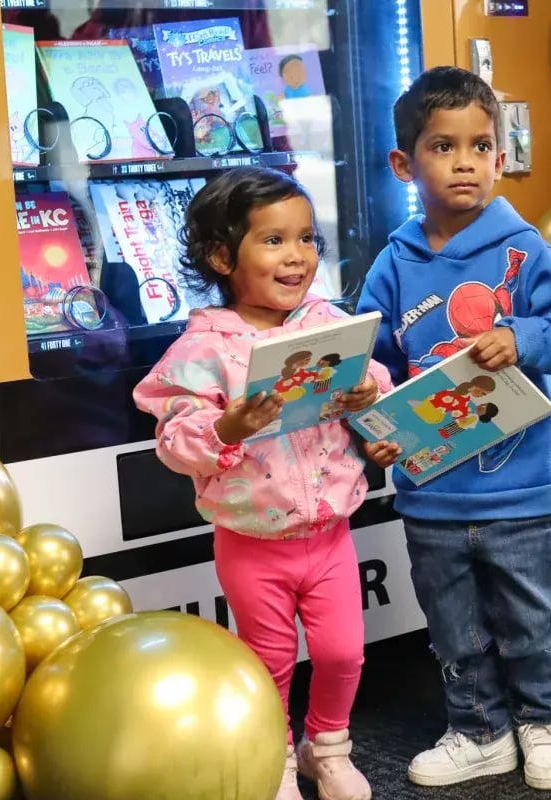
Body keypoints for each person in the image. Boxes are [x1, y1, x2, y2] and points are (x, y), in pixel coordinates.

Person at [357, 66, 551, 792]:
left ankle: (542, 724)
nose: (465, 162)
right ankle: (478, 730)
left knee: (530, 620)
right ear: (404, 163)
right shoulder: (394, 261)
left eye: (481, 146)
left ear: (500, 155)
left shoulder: (521, 246)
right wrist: (375, 425)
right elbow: (368, 363)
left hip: (520, 489)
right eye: (443, 146)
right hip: (430, 489)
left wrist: (520, 338)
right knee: (452, 628)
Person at [133, 166, 402, 800]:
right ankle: (273, 757)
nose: (297, 257)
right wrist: (227, 427)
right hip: (252, 542)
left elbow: (374, 390)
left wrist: (372, 395)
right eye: (274, 241)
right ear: (222, 256)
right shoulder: (202, 350)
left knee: (342, 654)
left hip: (330, 533)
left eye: (306, 239)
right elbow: (173, 443)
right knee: (268, 663)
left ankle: (326, 748)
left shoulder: (325, 323)